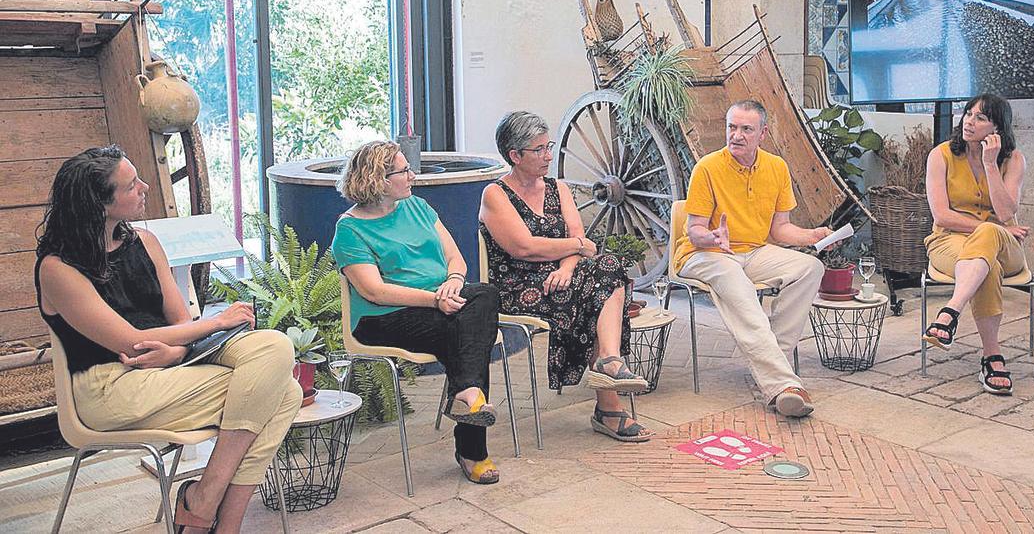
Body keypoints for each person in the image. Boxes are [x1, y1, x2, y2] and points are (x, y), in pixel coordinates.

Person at [35, 146, 301, 534]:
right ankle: (217, 515)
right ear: (100, 203)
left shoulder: (144, 241)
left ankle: (205, 502)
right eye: (130, 186)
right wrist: (216, 323)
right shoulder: (58, 269)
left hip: (171, 366)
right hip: (111, 388)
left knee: (274, 346)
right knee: (282, 393)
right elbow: (131, 341)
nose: (143, 187)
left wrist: (176, 349)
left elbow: (179, 320)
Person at [332, 140, 503, 484]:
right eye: (404, 170)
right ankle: (472, 450)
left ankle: (468, 396)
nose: (413, 175)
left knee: (484, 295)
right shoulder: (350, 230)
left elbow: (456, 258)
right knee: (464, 331)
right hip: (384, 318)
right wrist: (435, 300)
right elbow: (374, 291)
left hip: (441, 302)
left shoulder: (418, 207)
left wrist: (453, 282)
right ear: (379, 180)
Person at [480, 111, 652, 443]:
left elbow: (579, 237)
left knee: (606, 269)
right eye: (539, 150)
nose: (548, 156)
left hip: (562, 276)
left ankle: (609, 361)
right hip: (520, 285)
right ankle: (608, 402)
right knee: (596, 293)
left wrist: (567, 266)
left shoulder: (558, 187)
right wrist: (576, 248)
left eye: (549, 147)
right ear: (515, 156)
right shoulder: (495, 195)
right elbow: (525, 248)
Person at [674, 100, 833, 419]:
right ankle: (784, 385)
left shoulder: (777, 167)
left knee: (809, 268)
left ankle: (778, 362)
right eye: (732, 127)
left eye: (746, 129)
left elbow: (781, 229)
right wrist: (712, 237)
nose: (736, 135)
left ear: (763, 133)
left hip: (753, 251)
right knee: (741, 287)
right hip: (704, 254)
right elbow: (694, 232)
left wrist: (813, 237)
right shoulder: (707, 167)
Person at [922, 93, 1029, 395]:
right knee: (987, 264)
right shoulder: (940, 155)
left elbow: (1007, 212)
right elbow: (942, 215)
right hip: (948, 242)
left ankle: (950, 312)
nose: (969, 121)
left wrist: (990, 165)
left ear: (998, 128)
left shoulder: (1014, 159)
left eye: (981, 117)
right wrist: (993, 227)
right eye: (968, 113)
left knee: (990, 236)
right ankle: (992, 356)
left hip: (1004, 245)